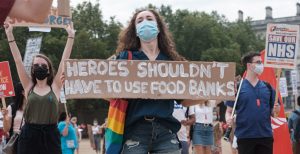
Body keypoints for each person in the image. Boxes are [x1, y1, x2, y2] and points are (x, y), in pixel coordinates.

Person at [113, 9, 204, 154]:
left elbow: (183, 101)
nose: (145, 23)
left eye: (149, 18)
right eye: (140, 21)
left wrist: (211, 92)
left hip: (165, 130)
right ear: (135, 30)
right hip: (135, 130)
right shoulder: (125, 57)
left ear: (158, 27)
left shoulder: (171, 61)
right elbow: (108, 91)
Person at [5, 23, 75, 154]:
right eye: (36, 65)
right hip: (29, 137)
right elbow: (17, 60)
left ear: (49, 69)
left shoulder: (55, 86)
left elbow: (64, 60)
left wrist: (71, 36)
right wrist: (9, 34)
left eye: (43, 65)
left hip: (51, 136)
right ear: (32, 69)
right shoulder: (28, 86)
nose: (39, 67)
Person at [225, 52, 275, 154]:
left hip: (265, 136)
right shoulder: (237, 88)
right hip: (245, 137)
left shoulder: (268, 87)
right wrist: (228, 119)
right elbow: (228, 112)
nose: (261, 65)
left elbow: (273, 112)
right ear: (249, 65)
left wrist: (276, 109)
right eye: (258, 62)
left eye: (261, 62)